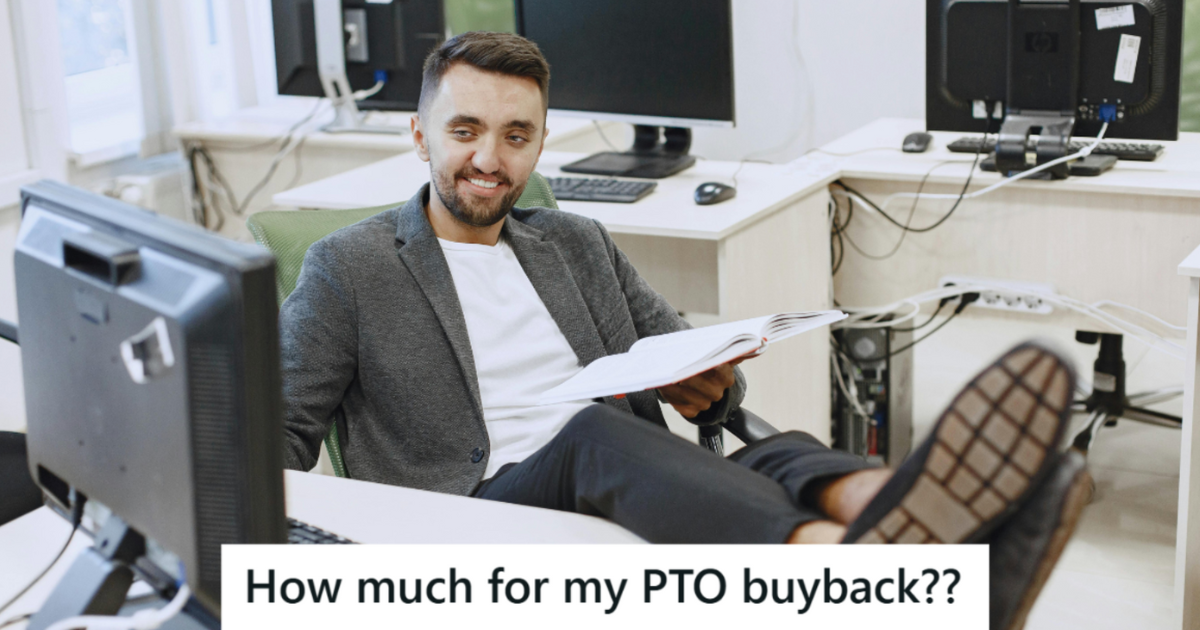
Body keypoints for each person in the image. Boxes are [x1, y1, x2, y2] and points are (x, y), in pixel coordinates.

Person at [280, 31, 1089, 623]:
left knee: (775, 446)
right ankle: (857, 579)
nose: (490, 157)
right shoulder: (347, 268)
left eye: (516, 135)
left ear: (537, 146)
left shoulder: (577, 241)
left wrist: (710, 385)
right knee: (595, 433)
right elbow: (273, 434)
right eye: (465, 131)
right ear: (420, 135)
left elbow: (699, 370)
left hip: (615, 470)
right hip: (487, 503)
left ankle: (913, 516)